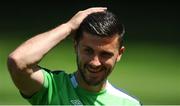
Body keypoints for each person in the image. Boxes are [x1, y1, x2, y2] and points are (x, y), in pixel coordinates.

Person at [7, 7, 141, 105]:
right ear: (75, 47)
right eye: (88, 51)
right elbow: (18, 61)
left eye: (105, 54)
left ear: (119, 54)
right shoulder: (52, 88)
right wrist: (68, 27)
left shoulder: (128, 103)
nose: (95, 62)